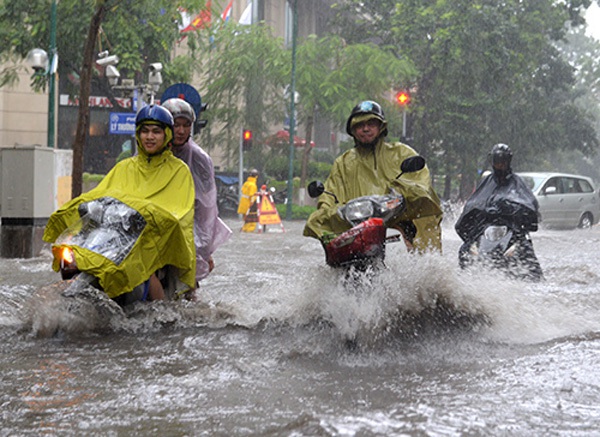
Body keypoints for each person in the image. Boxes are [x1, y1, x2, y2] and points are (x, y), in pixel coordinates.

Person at [43, 105, 196, 302]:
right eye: (145, 131)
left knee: (144, 270)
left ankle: (165, 316)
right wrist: (81, 205)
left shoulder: (179, 171)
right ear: (138, 134)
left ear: (167, 135)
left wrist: (152, 216)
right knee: (75, 258)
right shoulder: (124, 167)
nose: (150, 137)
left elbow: (179, 214)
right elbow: (102, 193)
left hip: (152, 240)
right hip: (118, 236)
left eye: (156, 131)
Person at [303, 100, 443, 252]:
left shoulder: (401, 153)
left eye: (371, 124)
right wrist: (325, 211)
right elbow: (330, 194)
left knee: (420, 229)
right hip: (357, 227)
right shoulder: (343, 163)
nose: (365, 129)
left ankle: (422, 261)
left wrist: (400, 195)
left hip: (398, 220)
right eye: (360, 125)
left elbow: (420, 183)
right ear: (353, 130)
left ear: (381, 127)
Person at [161, 98, 232, 289]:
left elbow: (207, 206)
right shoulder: (149, 152)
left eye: (186, 125)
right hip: (155, 225)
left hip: (186, 228)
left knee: (188, 286)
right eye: (176, 125)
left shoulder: (199, 158)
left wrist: (204, 250)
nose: (181, 131)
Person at [454, 143, 542, 277]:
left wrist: (513, 209)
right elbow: (475, 201)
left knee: (525, 248)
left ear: (508, 161)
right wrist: (475, 213)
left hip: (511, 227)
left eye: (502, 161)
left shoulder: (517, 182)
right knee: (465, 249)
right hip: (486, 227)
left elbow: (530, 202)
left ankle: (536, 282)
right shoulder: (487, 181)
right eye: (497, 161)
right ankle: (464, 281)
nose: (499, 165)